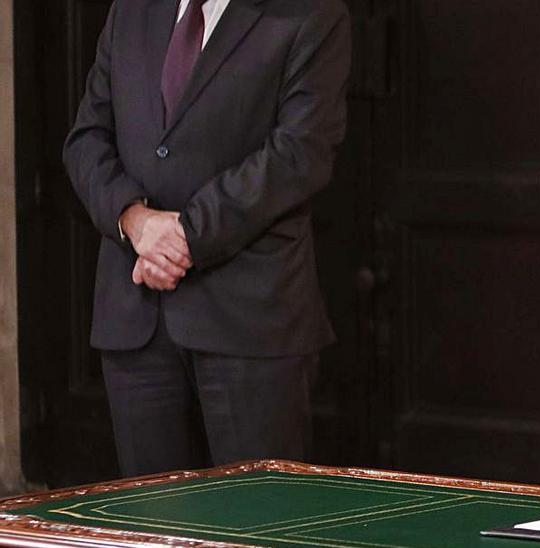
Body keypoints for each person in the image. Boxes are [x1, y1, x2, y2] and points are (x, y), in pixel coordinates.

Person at [63, 0, 350, 476]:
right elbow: (86, 138)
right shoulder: (130, 10)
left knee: (256, 525)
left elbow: (300, 153)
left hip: (248, 322)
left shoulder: (310, 14)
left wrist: (185, 236)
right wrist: (134, 220)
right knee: (153, 527)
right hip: (137, 319)